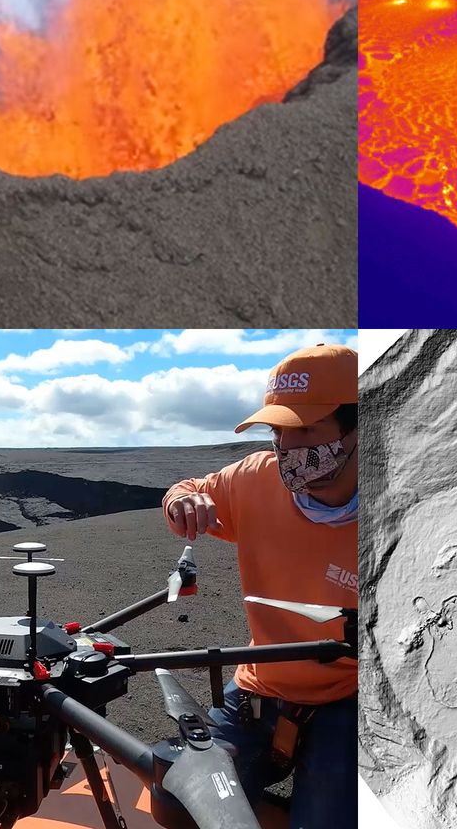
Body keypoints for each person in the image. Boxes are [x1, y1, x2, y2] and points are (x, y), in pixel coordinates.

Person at [162, 342, 358, 829]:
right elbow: (185, 490)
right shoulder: (256, 478)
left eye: (307, 429)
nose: (288, 447)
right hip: (259, 687)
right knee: (176, 796)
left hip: (351, 698)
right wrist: (181, 505)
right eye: (279, 430)